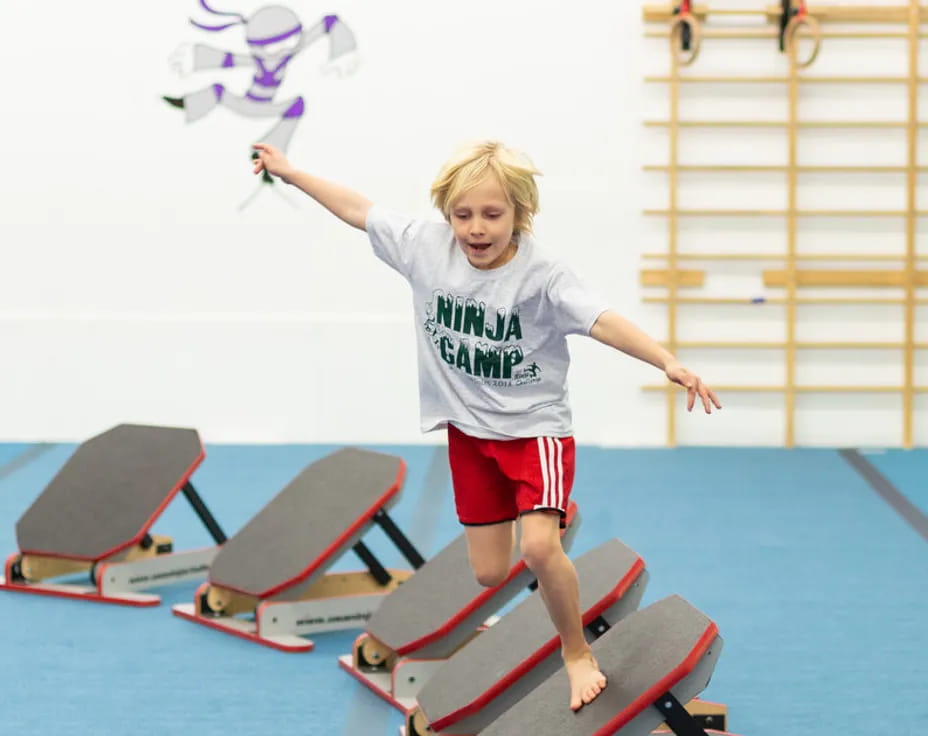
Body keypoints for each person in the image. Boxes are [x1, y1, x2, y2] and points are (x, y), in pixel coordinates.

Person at [251, 139, 722, 711]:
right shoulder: (426, 248)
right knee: (487, 573)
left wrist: (666, 361)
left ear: (520, 215)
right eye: (463, 214)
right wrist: (290, 171)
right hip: (470, 437)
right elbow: (357, 209)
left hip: (533, 435)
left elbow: (602, 320)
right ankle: (543, 531)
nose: (475, 229)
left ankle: (576, 650)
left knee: (539, 551)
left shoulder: (543, 275)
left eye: (492, 215)